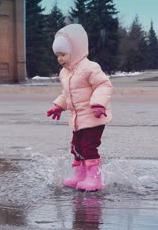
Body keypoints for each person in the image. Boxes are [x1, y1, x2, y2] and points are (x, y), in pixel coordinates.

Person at [46, 24, 113, 191]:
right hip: (77, 119)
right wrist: (59, 106)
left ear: (75, 51)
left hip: (94, 116)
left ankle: (94, 179)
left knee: (89, 146)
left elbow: (104, 85)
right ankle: (80, 175)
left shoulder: (89, 67)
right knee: (76, 147)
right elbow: (68, 93)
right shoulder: (65, 73)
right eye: (57, 55)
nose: (59, 59)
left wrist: (98, 103)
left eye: (63, 54)